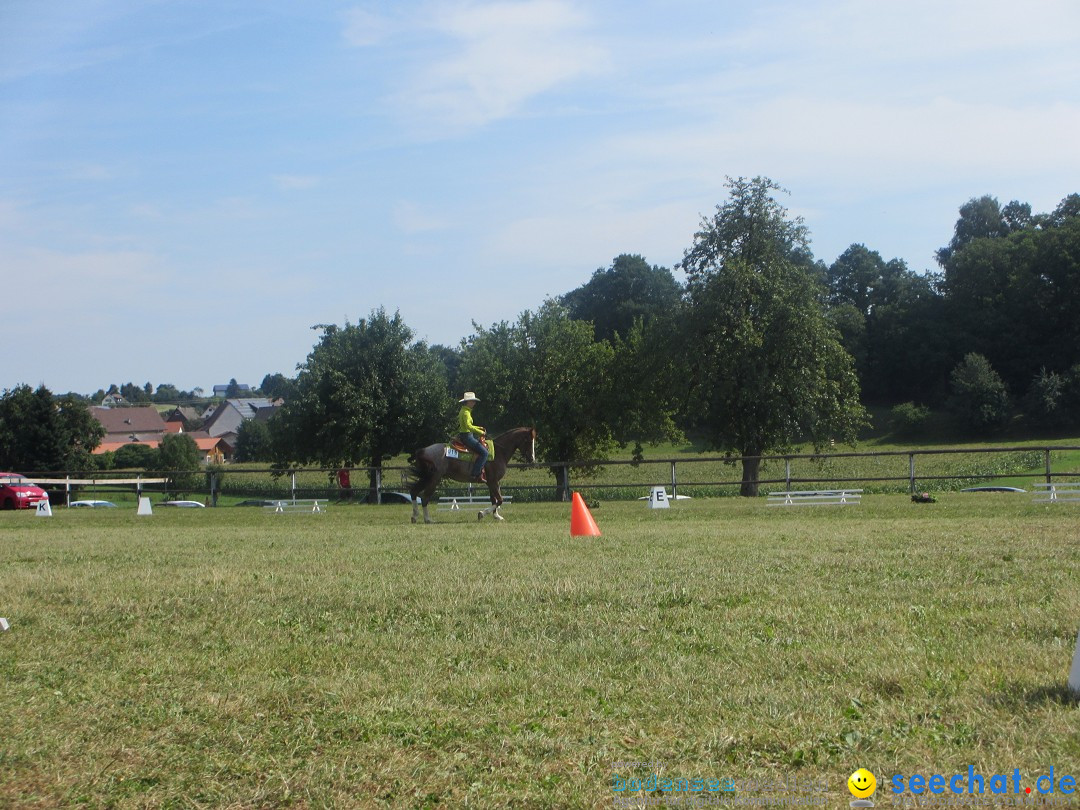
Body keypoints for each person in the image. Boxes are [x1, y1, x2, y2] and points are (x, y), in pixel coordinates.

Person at [457, 392, 488, 483]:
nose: (474, 403)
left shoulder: (465, 411)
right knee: (484, 453)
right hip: (467, 436)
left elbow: (470, 425)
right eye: (473, 401)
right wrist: (480, 432)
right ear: (468, 402)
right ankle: (476, 473)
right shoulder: (466, 413)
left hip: (466, 435)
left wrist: (479, 428)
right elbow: (468, 427)